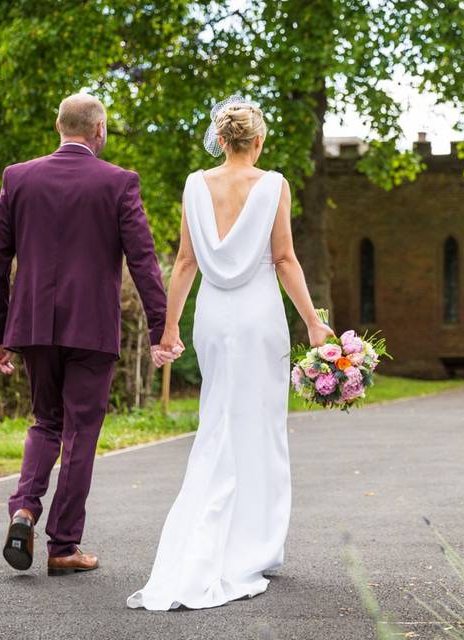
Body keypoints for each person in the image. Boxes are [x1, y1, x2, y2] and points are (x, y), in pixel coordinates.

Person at [126, 96, 333, 610]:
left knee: (218, 418)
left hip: (213, 320)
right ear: (257, 142)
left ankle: (219, 530)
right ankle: (258, 544)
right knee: (261, 425)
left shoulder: (196, 185)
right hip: (260, 318)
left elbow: (183, 263)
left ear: (221, 139)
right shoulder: (274, 185)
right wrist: (313, 321)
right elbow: (284, 259)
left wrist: (168, 328)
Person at [0, 93, 176, 576]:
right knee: (81, 432)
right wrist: (161, 329)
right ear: (100, 130)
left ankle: (24, 508)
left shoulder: (17, 176)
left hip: (31, 325)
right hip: (91, 328)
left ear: (57, 126)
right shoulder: (118, 182)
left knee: (45, 422)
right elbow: (144, 261)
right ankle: (64, 546)